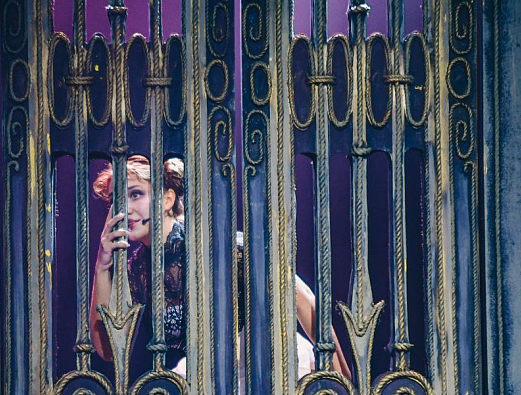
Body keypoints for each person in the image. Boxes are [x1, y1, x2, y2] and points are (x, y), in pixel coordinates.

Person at [89, 155, 351, 380]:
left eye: (135, 194)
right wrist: (102, 265)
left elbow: (303, 300)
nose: (124, 208)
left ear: (167, 199)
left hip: (269, 367)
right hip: (214, 378)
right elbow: (109, 350)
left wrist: (341, 383)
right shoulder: (138, 268)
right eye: (115, 199)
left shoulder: (215, 244)